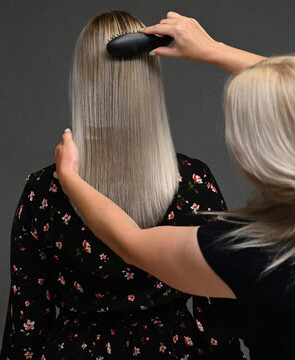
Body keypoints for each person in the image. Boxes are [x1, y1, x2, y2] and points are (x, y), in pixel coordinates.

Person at [0, 11, 247, 360]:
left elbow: (27, 320)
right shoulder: (193, 182)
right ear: (150, 81)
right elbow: (219, 315)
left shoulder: (45, 192)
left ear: (81, 81)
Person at [54, 12, 295, 360]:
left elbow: (132, 242)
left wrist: (71, 181)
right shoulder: (233, 232)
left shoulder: (248, 254)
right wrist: (214, 50)